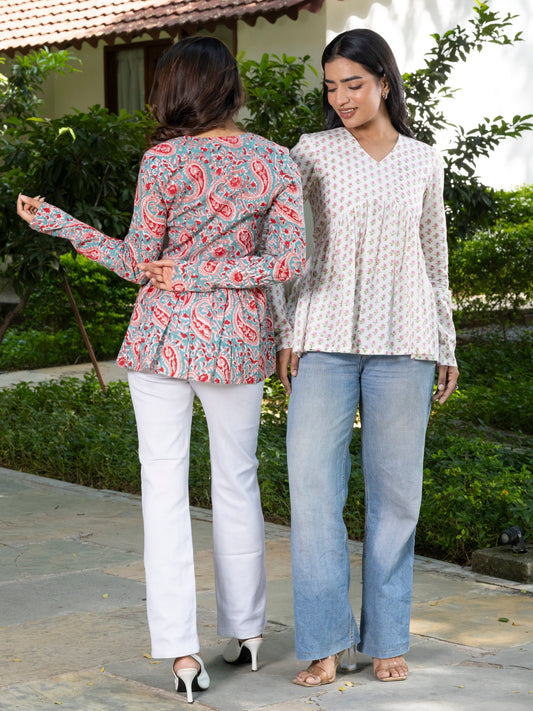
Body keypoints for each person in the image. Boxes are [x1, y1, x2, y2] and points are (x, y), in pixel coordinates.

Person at [17, 36, 305, 704]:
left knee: (164, 493)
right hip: (237, 342)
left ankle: (181, 653)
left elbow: (136, 263)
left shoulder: (164, 160)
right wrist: (217, 273)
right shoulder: (275, 159)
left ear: (175, 91)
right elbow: (287, 262)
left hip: (162, 339)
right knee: (237, 480)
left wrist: (60, 224)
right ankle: (247, 631)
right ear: (231, 88)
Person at [274, 28, 459, 686]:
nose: (342, 97)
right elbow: (286, 245)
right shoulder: (311, 152)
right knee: (313, 491)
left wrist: (445, 340)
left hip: (405, 341)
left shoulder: (423, 161)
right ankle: (325, 641)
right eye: (331, 87)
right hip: (322, 339)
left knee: (396, 497)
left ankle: (385, 637)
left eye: (353, 83)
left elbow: (433, 257)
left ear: (384, 81)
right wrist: (286, 329)